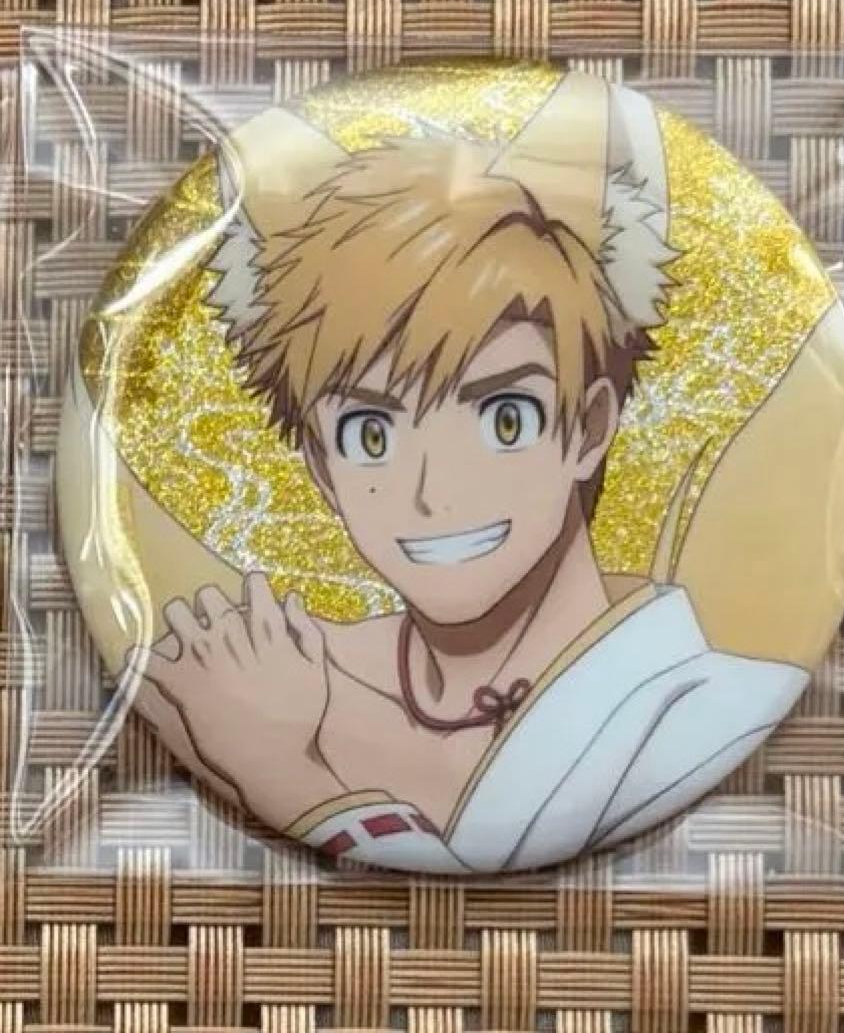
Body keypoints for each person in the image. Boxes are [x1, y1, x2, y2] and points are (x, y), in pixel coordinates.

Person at [135, 72, 807, 872]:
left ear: (589, 428)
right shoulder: (274, 674)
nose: (433, 493)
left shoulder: (713, 712)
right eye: (371, 434)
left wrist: (287, 770)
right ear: (319, 464)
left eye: (503, 419)